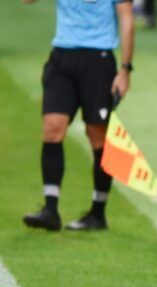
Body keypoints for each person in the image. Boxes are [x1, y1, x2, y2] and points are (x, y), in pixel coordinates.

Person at [22, 0, 135, 232]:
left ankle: (98, 212)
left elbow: (126, 18)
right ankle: (50, 209)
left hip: (99, 59)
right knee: (53, 127)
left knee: (97, 135)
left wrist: (125, 69)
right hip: (62, 57)